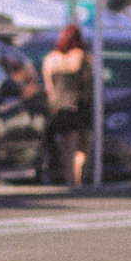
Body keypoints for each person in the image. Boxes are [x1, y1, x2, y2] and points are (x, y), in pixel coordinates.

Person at [42, 24, 92, 189]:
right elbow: (89, 85)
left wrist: (52, 107)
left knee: (67, 146)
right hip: (79, 105)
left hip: (59, 106)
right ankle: (78, 179)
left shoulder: (51, 58)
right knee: (82, 147)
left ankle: (69, 179)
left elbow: (49, 88)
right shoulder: (83, 56)